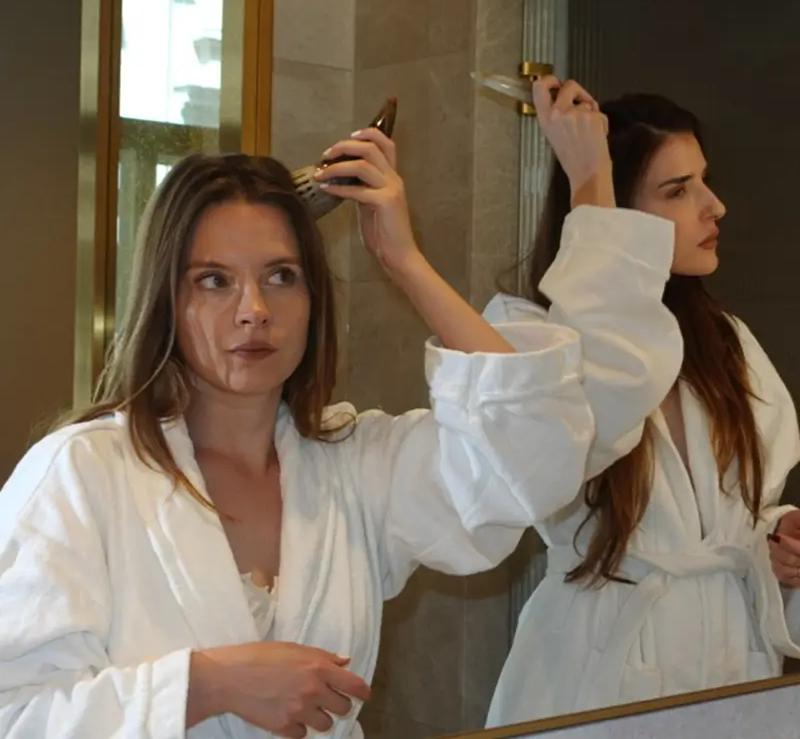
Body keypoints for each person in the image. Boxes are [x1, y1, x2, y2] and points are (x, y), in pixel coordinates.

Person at [0, 98, 678, 739]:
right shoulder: (83, 472)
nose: (254, 310)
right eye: (213, 280)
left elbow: (534, 454)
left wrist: (404, 261)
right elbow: (16, 713)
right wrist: (205, 685)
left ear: (313, 300)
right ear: (165, 300)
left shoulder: (354, 465)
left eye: (281, 276)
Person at [485, 77, 800, 727]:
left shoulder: (726, 342)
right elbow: (571, 444)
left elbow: (735, 516)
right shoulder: (532, 336)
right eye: (678, 190)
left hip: (732, 663)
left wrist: (778, 541)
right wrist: (589, 179)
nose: (715, 207)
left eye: (704, 181)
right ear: (616, 211)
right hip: (598, 667)